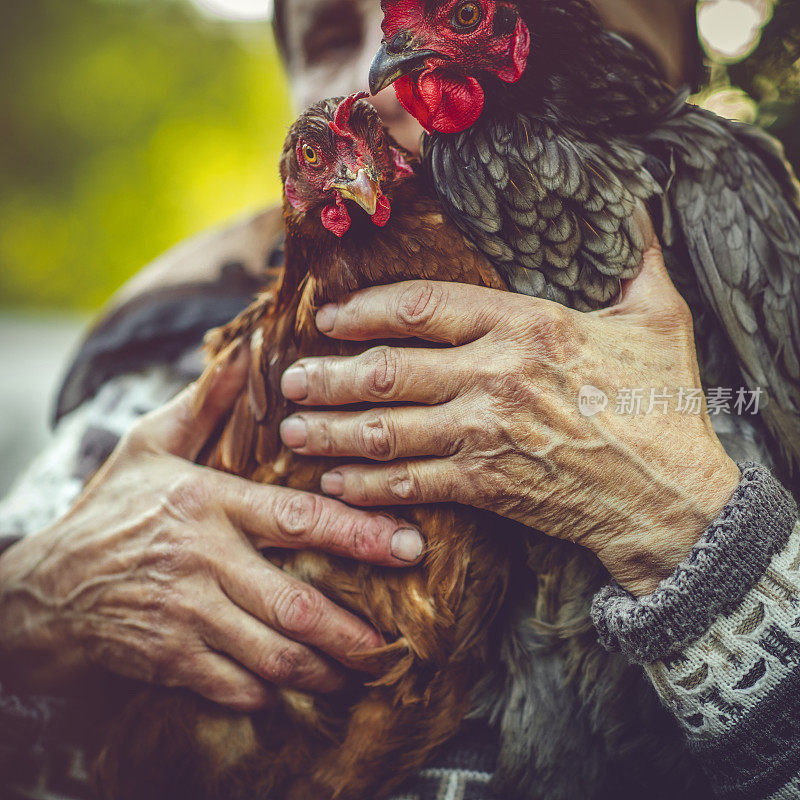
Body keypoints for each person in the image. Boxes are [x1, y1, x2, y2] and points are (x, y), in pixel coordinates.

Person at [2, 1, 798, 798]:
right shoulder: (178, 366)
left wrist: (699, 539)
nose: (377, 74)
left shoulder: (752, 317)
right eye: (328, 41)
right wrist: (34, 608)